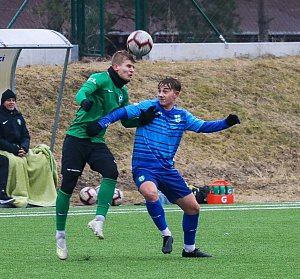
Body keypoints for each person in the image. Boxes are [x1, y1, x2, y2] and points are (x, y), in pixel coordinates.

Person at [87, 77, 240, 258]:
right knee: (150, 193)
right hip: (144, 167)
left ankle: (189, 249)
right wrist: (101, 123)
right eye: (159, 90)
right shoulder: (148, 107)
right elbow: (120, 113)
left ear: (176, 94)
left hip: (167, 170)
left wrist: (226, 122)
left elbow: (203, 126)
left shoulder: (182, 116)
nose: (160, 94)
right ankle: (166, 234)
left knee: (193, 208)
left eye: (165, 91)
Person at [55, 50, 157, 260]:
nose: (132, 71)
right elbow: (81, 92)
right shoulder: (100, 78)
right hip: (76, 139)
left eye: (133, 68)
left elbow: (126, 121)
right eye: (129, 67)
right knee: (68, 185)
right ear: (117, 66)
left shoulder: (123, 94)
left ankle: (98, 219)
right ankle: (60, 235)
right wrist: (84, 102)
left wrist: (143, 120)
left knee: (111, 172)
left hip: (96, 141)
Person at [0, 89, 30, 204]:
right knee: (9, 161)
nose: (11, 102)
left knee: (41, 159)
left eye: (13, 100)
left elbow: (26, 135)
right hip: (5, 149)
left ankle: (40, 194)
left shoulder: (18, 116)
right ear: (3, 102)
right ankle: (3, 193)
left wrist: (25, 148)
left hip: (19, 149)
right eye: (8, 100)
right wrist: (14, 150)